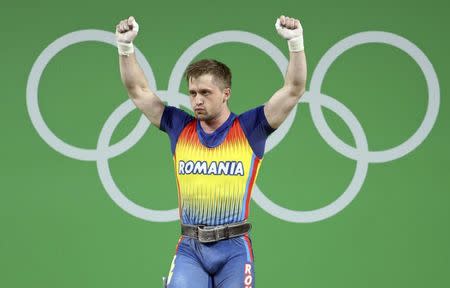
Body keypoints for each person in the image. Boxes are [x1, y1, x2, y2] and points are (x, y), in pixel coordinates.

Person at [115, 15, 307, 288]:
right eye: (192, 93)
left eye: (205, 92)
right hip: (190, 249)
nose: (197, 100)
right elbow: (138, 90)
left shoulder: (250, 128)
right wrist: (125, 48)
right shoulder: (179, 127)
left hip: (234, 250)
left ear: (226, 92)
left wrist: (296, 43)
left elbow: (294, 89)